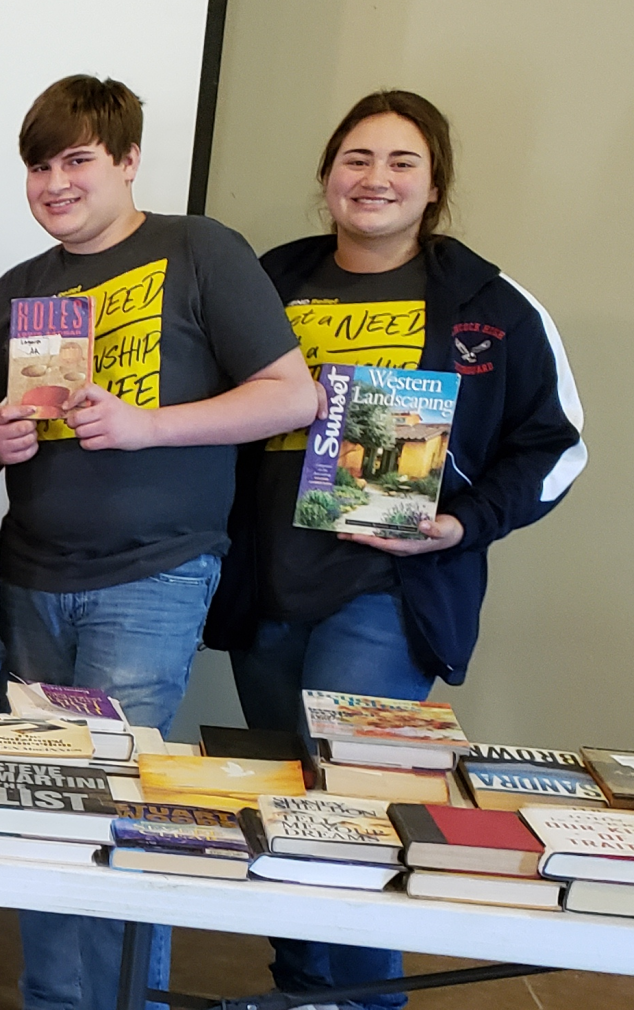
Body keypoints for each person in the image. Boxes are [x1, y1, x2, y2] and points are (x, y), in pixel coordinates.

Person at [203, 90, 584, 1010]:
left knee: (358, 807)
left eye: (401, 162)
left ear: (434, 184)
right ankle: (302, 991)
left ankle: (368, 1001)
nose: (375, 178)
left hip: (390, 586)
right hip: (269, 586)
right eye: (357, 159)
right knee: (291, 802)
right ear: (327, 176)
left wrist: (463, 523)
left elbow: (556, 443)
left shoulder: (490, 304)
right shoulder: (267, 279)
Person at [0, 76, 316, 1010]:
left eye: (77, 160)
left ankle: (119, 1003)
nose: (55, 183)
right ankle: (54, 1000)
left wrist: (150, 426)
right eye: (39, 166)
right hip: (31, 576)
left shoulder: (199, 249)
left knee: (116, 809)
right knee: (40, 803)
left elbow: (291, 395)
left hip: (152, 576)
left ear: (127, 160)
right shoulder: (18, 289)